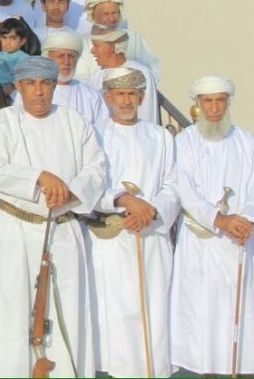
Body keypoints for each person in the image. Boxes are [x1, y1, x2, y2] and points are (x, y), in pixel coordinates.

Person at [0, 56, 107, 377]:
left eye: (45, 84)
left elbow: (96, 169)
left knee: (67, 312)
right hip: (14, 230)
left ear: (54, 86)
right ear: (18, 87)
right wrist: (40, 178)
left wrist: (71, 193)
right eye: (31, 84)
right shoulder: (2, 122)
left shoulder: (74, 121)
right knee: (11, 315)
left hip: (62, 229)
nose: (38, 91)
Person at [170, 75, 254, 376]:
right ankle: (206, 369)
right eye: (208, 101)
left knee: (238, 309)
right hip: (201, 241)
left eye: (220, 101)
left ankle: (239, 367)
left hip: (239, 238)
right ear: (198, 104)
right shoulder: (184, 142)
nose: (215, 108)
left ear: (228, 103)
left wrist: (248, 218)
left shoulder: (245, 140)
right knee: (203, 311)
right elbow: (184, 188)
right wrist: (219, 219)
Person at [86, 67, 177, 379]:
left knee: (153, 306)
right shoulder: (94, 135)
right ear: (107, 97)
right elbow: (89, 185)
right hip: (112, 238)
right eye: (120, 94)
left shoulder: (160, 136)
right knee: (116, 311)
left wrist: (151, 210)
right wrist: (124, 200)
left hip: (151, 235)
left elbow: (172, 183)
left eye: (132, 94)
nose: (126, 101)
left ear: (142, 97)